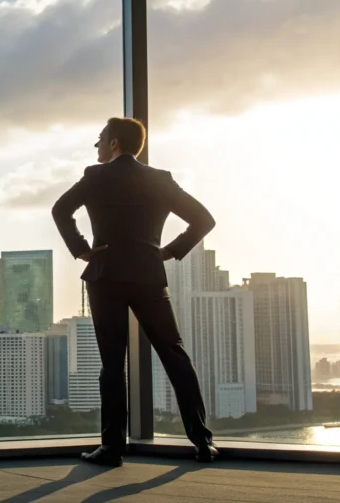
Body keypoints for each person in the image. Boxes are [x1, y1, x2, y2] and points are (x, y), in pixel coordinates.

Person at [51, 117, 218, 467]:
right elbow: (204, 220)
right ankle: (202, 442)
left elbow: (60, 210)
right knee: (175, 355)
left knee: (113, 364)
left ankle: (112, 450)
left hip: (106, 274)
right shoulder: (160, 180)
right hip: (148, 275)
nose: (96, 146)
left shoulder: (96, 177)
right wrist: (168, 251)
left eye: (99, 139)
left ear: (114, 144)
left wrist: (81, 248)